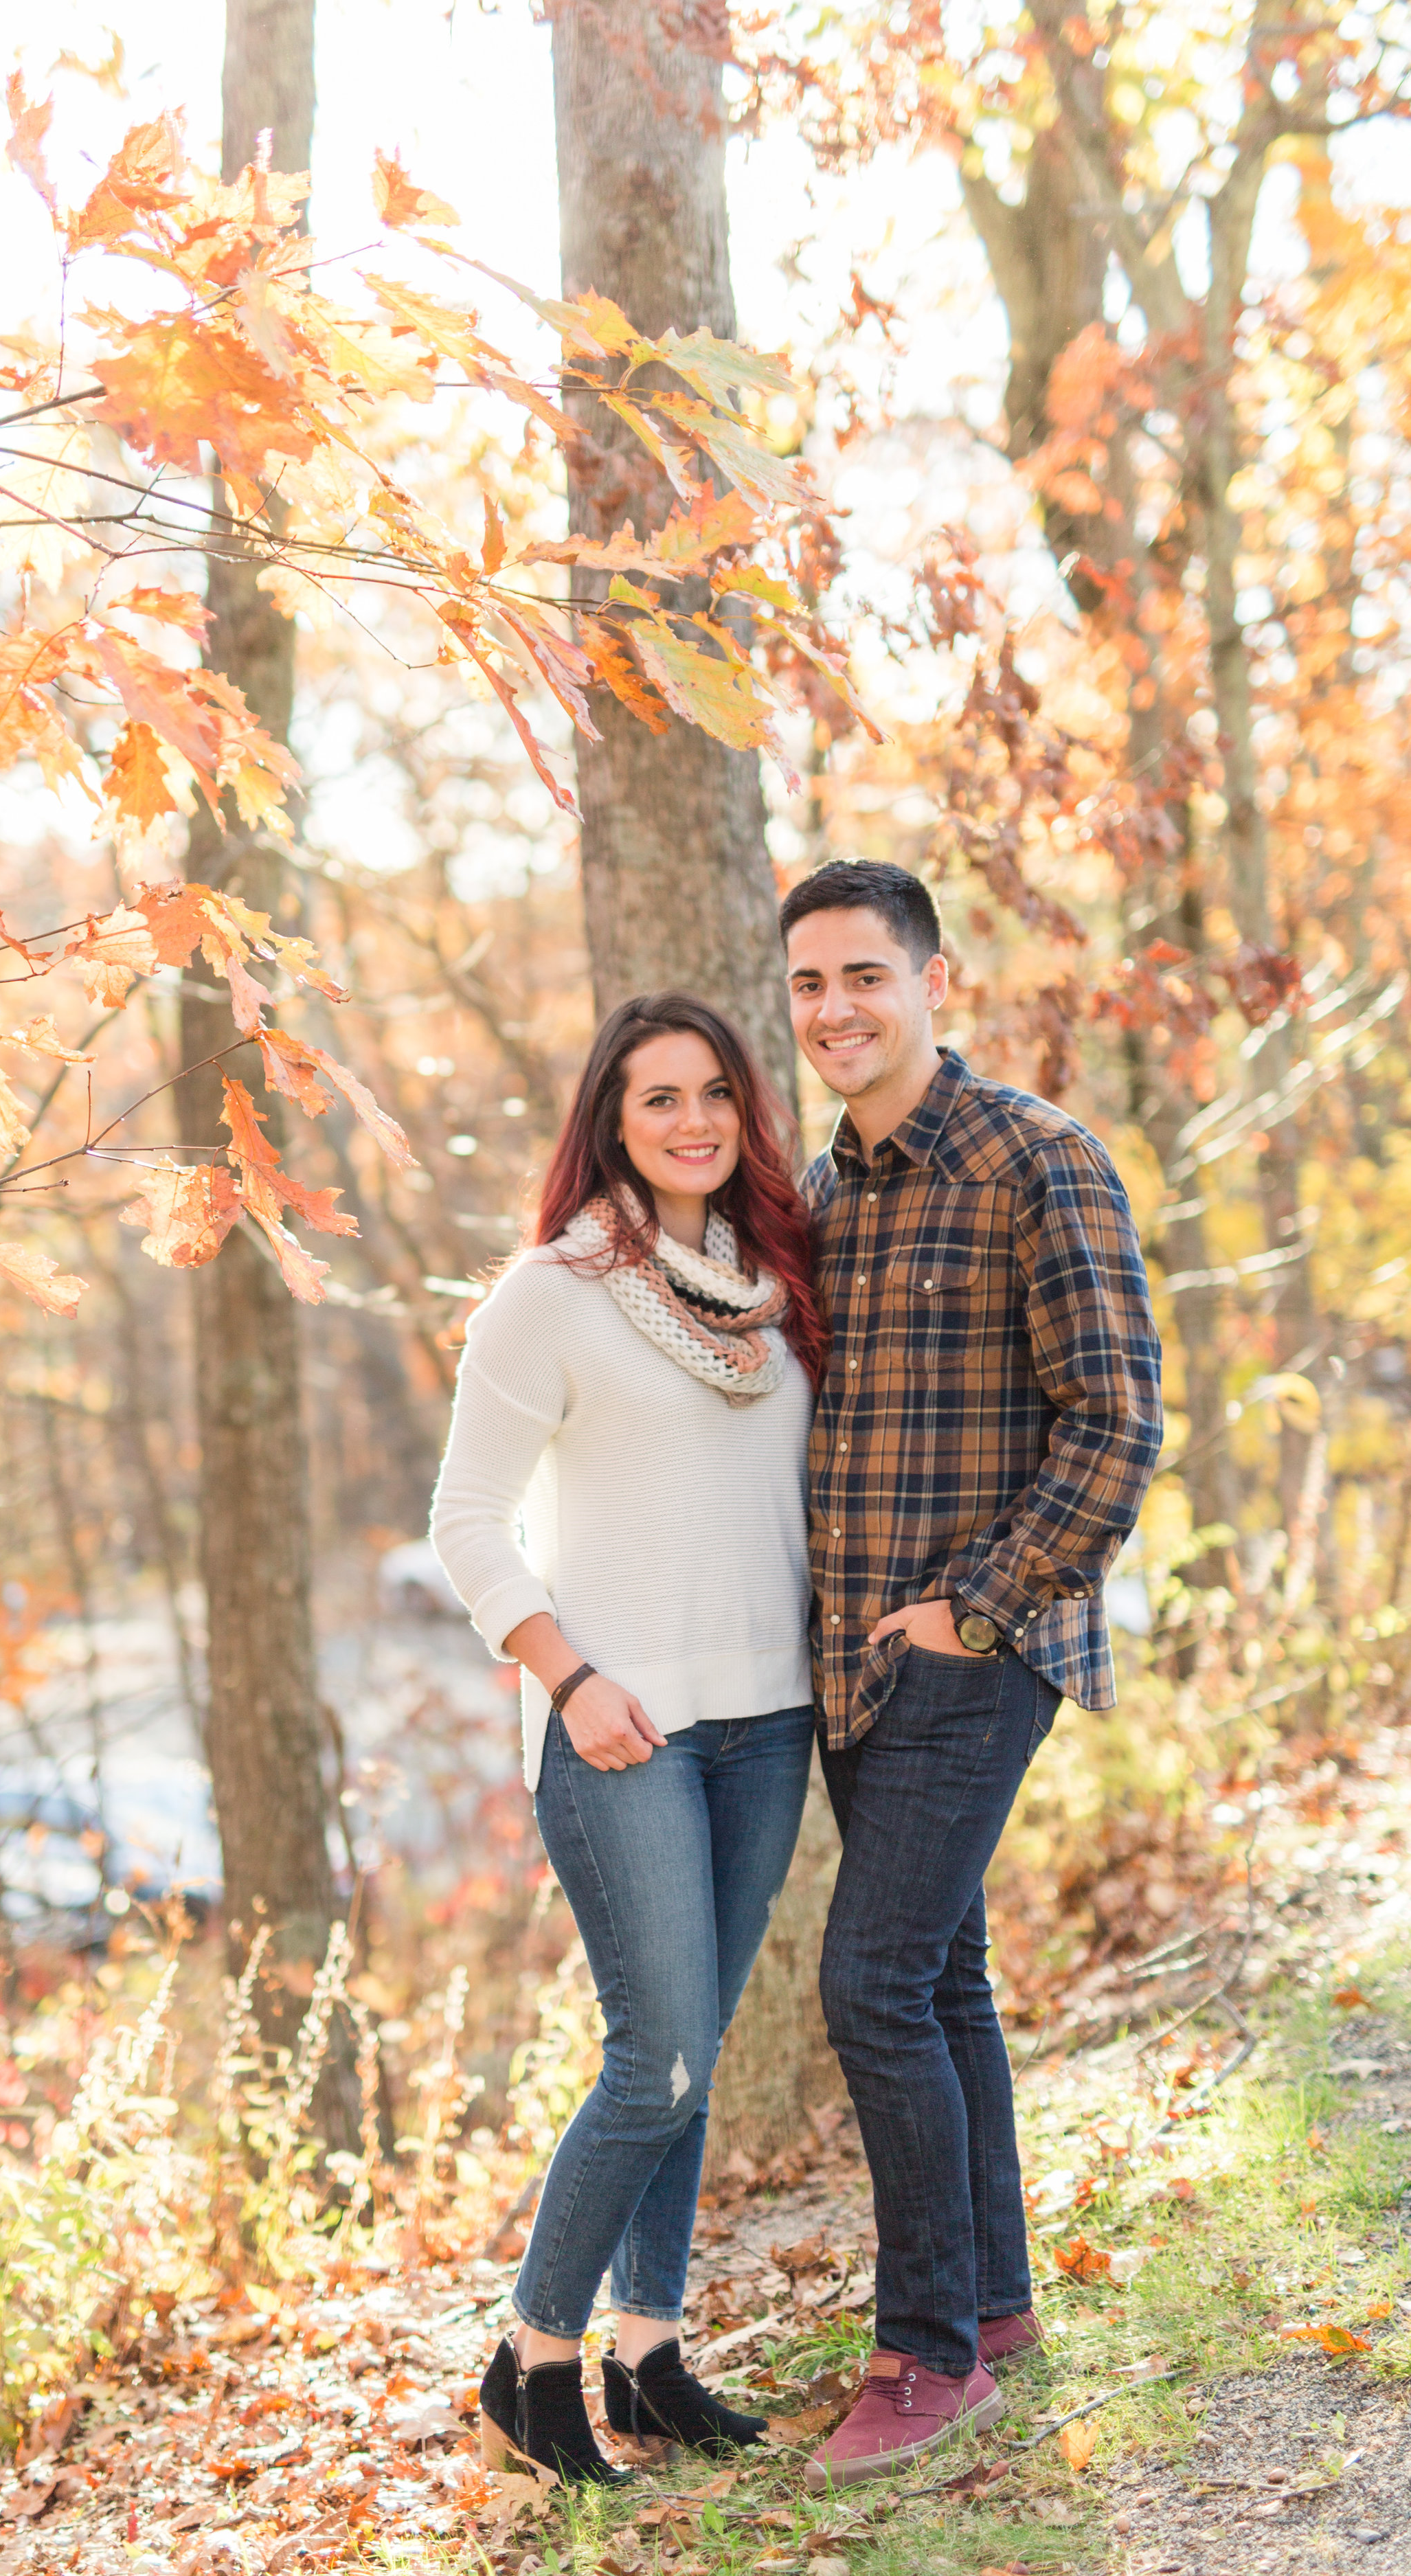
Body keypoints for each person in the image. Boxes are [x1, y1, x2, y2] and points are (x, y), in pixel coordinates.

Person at [783, 860, 1163, 2490]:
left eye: (863, 975)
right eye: (806, 985)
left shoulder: (1036, 1160)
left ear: (936, 982)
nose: (833, 1011)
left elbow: (1115, 1420)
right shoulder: (817, 1193)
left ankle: (922, 2353)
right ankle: (992, 2304)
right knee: (937, 1978)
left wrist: (978, 1605)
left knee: (865, 1983)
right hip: (852, 1669)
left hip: (972, 1646)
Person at [430, 992, 824, 2485]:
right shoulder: (551, 1292)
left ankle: (646, 2354)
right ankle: (530, 2361)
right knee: (651, 2057)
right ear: (608, 1121)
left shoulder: (771, 1281)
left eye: (712, 1091)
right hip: (622, 1732)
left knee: (698, 2055)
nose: (690, 1122)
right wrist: (569, 1676)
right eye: (655, 1098)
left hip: (766, 1721)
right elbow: (464, 1521)